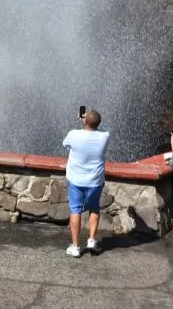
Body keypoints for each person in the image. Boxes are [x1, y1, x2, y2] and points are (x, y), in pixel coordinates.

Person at [62, 110, 110, 257]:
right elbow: (97, 128)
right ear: (99, 123)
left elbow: (65, 145)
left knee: (75, 210)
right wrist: (89, 122)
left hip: (76, 180)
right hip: (95, 181)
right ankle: (92, 240)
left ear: (84, 120)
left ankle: (76, 247)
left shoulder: (74, 134)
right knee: (94, 207)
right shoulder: (105, 136)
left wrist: (83, 123)